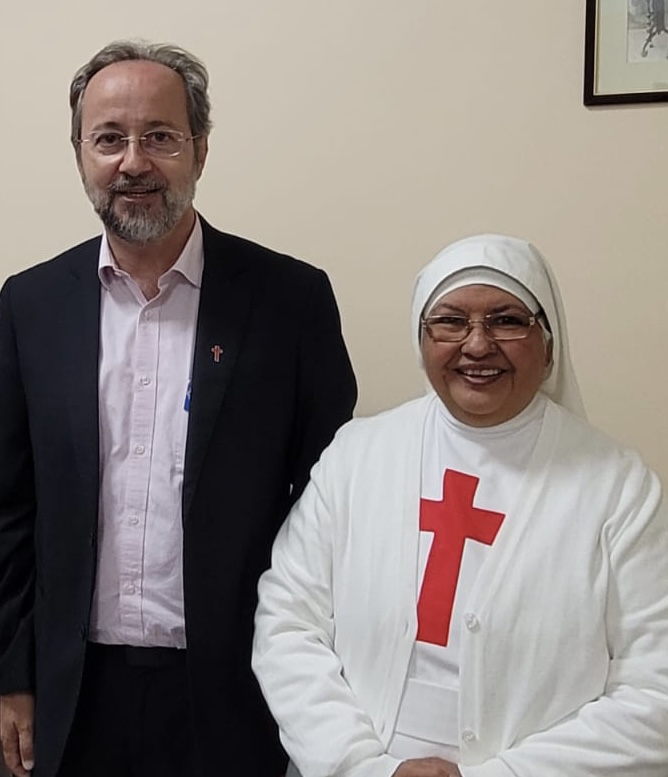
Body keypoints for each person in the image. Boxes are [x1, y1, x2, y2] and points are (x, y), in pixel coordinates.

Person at [0, 39, 357, 777]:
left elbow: (331, 510)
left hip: (235, 692)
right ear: (79, 153)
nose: (133, 162)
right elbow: (8, 509)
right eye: (109, 139)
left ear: (199, 149)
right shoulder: (27, 305)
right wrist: (11, 675)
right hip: (71, 695)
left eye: (160, 136)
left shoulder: (290, 302)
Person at [252, 234, 668, 777]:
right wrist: (364, 766)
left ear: (547, 340)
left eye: (506, 320)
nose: (476, 345)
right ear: (421, 337)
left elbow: (655, 688)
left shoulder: (617, 488)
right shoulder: (356, 456)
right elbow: (288, 622)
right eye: (449, 321)